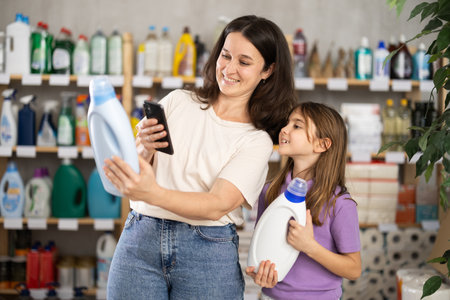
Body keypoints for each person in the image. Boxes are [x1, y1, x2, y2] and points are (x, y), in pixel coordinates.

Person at [103, 15, 296, 299]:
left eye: (244, 62)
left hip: (206, 251)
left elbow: (216, 204)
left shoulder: (256, 141)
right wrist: (143, 148)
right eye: (225, 56)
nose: (229, 69)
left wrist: (152, 192)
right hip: (140, 240)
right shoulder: (177, 101)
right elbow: (139, 169)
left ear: (267, 70)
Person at [246, 102, 361, 300]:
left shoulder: (340, 204)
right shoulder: (271, 191)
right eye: (287, 123)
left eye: (296, 126)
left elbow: (353, 269)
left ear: (322, 144)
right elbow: (263, 245)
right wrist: (260, 272)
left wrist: (310, 246)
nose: (284, 129)